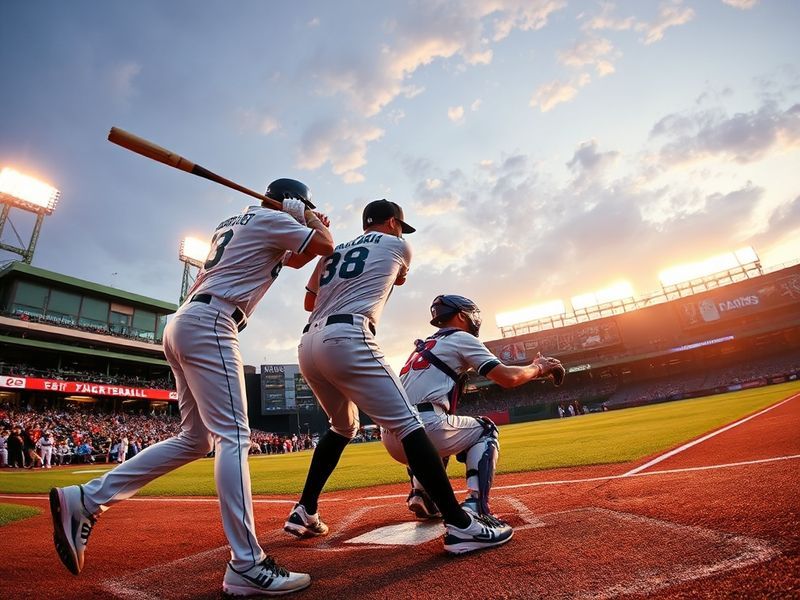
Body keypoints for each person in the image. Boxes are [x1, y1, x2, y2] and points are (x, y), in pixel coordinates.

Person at [49, 178, 334, 597]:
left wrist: (306, 223)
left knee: (194, 440)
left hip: (184, 322)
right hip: (213, 321)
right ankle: (247, 563)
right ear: (290, 202)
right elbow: (326, 244)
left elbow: (297, 258)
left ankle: (88, 499)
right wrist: (309, 218)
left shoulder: (240, 222)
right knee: (234, 437)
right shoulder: (271, 219)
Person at [285, 200, 513, 555]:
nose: (400, 232)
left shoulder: (331, 249)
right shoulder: (399, 245)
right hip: (349, 335)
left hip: (308, 343)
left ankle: (305, 510)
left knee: (343, 426)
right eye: (399, 226)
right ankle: (459, 522)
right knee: (410, 423)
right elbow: (401, 277)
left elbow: (308, 301)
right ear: (392, 222)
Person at [381, 295, 565, 518]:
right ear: (461, 315)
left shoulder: (422, 348)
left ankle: (423, 494)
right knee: (485, 429)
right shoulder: (460, 337)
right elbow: (508, 378)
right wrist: (538, 367)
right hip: (426, 426)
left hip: (393, 434)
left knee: (442, 431)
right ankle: (476, 505)